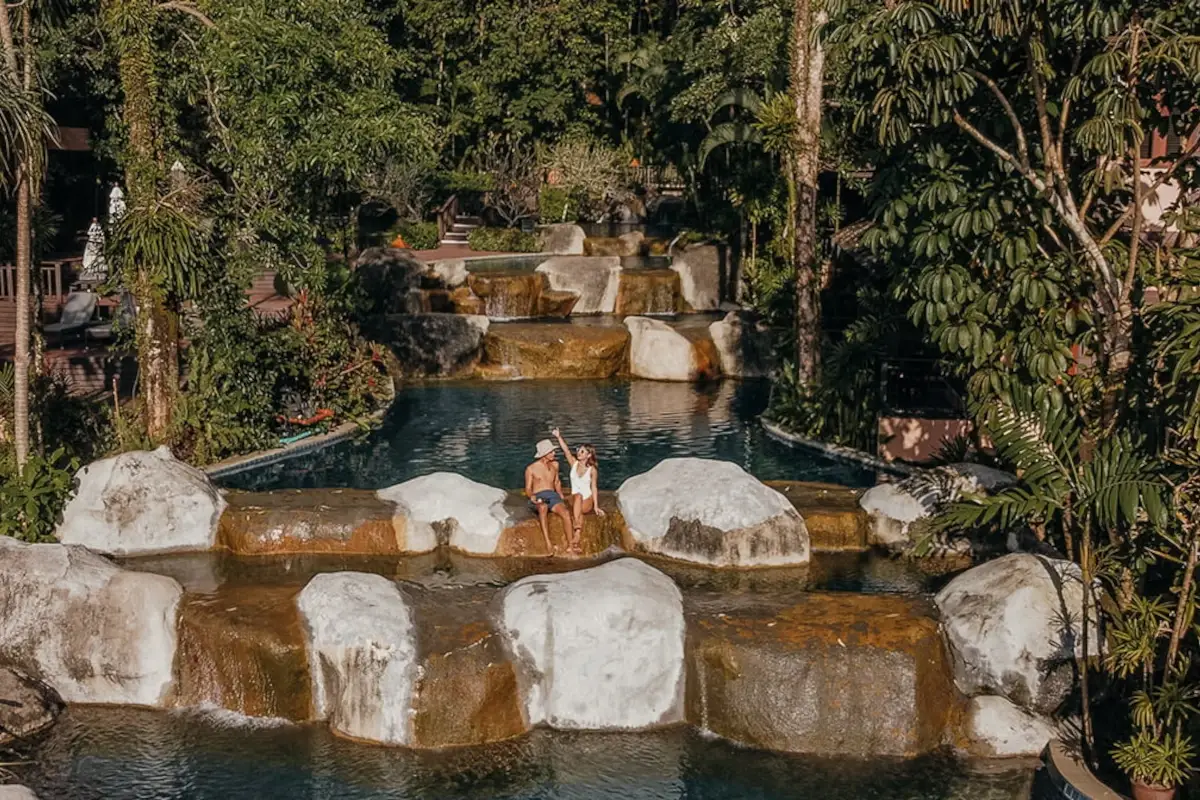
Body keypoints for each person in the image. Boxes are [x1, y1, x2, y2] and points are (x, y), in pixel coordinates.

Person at [551, 428, 603, 546]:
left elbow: (594, 488)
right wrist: (558, 437)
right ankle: (577, 531)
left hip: (587, 500)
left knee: (579, 497)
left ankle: (577, 529)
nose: (579, 452)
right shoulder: (574, 463)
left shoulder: (592, 470)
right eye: (579, 450)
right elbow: (566, 451)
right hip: (574, 499)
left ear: (589, 455)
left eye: (582, 451)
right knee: (576, 497)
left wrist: (596, 506)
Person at [524, 438, 572, 555]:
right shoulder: (531, 469)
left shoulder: (555, 465)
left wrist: (560, 494)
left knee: (565, 513)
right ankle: (548, 543)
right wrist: (532, 496)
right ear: (544, 454)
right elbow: (528, 489)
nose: (554, 453)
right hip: (539, 496)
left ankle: (571, 546)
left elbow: (556, 482)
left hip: (553, 496)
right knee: (543, 507)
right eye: (551, 452)